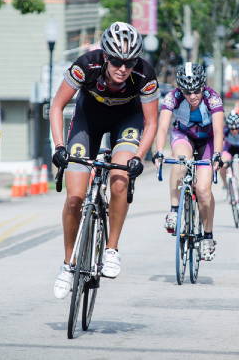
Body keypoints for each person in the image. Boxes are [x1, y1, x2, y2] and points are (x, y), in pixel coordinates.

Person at [49, 22, 159, 299]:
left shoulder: (145, 74)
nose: (123, 69)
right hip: (89, 121)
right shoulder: (86, 65)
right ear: (105, 57)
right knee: (75, 197)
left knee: (119, 180)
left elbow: (152, 122)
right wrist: (60, 146)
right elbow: (57, 106)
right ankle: (68, 264)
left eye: (129, 62)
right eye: (117, 62)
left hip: (127, 121)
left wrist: (139, 157)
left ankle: (111, 249)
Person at [152, 62, 224, 261]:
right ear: (180, 89)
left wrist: (217, 154)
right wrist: (158, 151)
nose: (192, 96)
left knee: (202, 190)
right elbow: (163, 125)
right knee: (180, 161)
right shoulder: (172, 97)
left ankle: (207, 236)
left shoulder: (213, 98)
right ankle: (174, 210)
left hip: (207, 140)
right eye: (187, 92)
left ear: (203, 85)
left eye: (196, 91)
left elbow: (218, 130)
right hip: (184, 135)